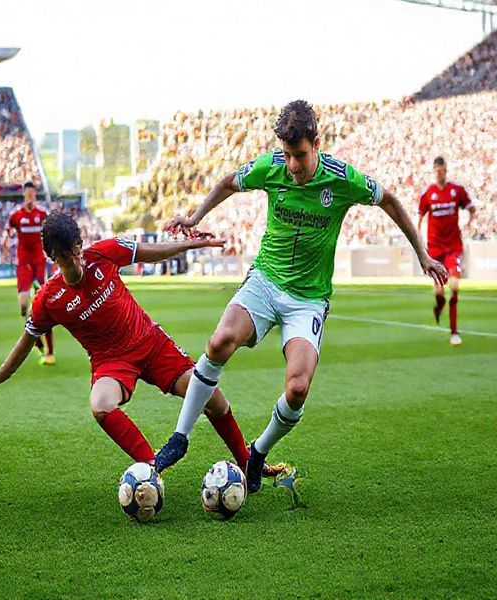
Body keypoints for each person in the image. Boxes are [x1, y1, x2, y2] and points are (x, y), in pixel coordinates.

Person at [155, 100, 448, 492]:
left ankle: (257, 452)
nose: (292, 165)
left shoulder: (342, 179)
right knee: (220, 340)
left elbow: (391, 201)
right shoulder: (271, 167)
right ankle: (180, 437)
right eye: (288, 155)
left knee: (297, 388)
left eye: (300, 155)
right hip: (266, 280)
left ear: (317, 143)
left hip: (308, 298)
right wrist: (195, 217)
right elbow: (228, 182)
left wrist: (423, 254)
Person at [0, 212, 257, 475]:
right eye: (67, 255)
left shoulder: (105, 252)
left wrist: (191, 243)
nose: (76, 259)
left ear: (80, 244)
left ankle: (246, 463)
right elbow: (20, 351)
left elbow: (154, 251)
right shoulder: (47, 300)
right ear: (53, 258)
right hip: (111, 363)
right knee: (100, 404)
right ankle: (150, 469)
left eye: (77, 250)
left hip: (151, 343)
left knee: (212, 399)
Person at [417, 157, 476, 346]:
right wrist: (418, 237)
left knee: (456, 286)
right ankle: (439, 306)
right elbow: (419, 217)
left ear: (446, 170)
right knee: (440, 293)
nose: (439, 174)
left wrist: (469, 223)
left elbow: (472, 208)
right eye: (436, 171)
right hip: (434, 249)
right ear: (433, 172)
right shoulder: (428, 194)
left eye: (442, 171)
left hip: (453, 247)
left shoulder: (456, 190)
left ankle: (454, 332)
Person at [7, 182, 55, 365]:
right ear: (24, 195)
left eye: (33, 194)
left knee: (45, 305)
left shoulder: (42, 214)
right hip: (23, 264)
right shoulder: (16, 215)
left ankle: (49, 352)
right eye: (28, 194)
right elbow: (8, 230)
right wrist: (7, 239)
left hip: (39, 264)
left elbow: (51, 232)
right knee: (24, 305)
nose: (30, 197)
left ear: (35, 195)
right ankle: (37, 342)